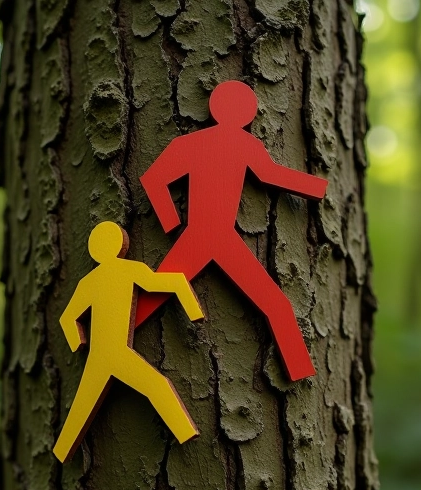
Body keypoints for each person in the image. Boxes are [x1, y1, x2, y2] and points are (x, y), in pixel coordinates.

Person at [135, 80, 328, 381]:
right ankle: (299, 366)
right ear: (246, 114)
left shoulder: (195, 143)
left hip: (210, 237)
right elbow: (272, 175)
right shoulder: (238, 144)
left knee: (155, 293)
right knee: (275, 303)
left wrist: (172, 220)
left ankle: (108, 334)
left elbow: (154, 179)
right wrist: (314, 186)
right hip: (207, 236)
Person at [54, 221, 204, 463]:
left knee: (83, 408)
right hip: (114, 353)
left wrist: (79, 341)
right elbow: (165, 283)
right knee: (157, 386)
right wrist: (189, 303)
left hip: (101, 355)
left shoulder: (89, 282)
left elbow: (68, 319)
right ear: (118, 245)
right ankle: (185, 431)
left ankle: (61, 452)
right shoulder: (128, 270)